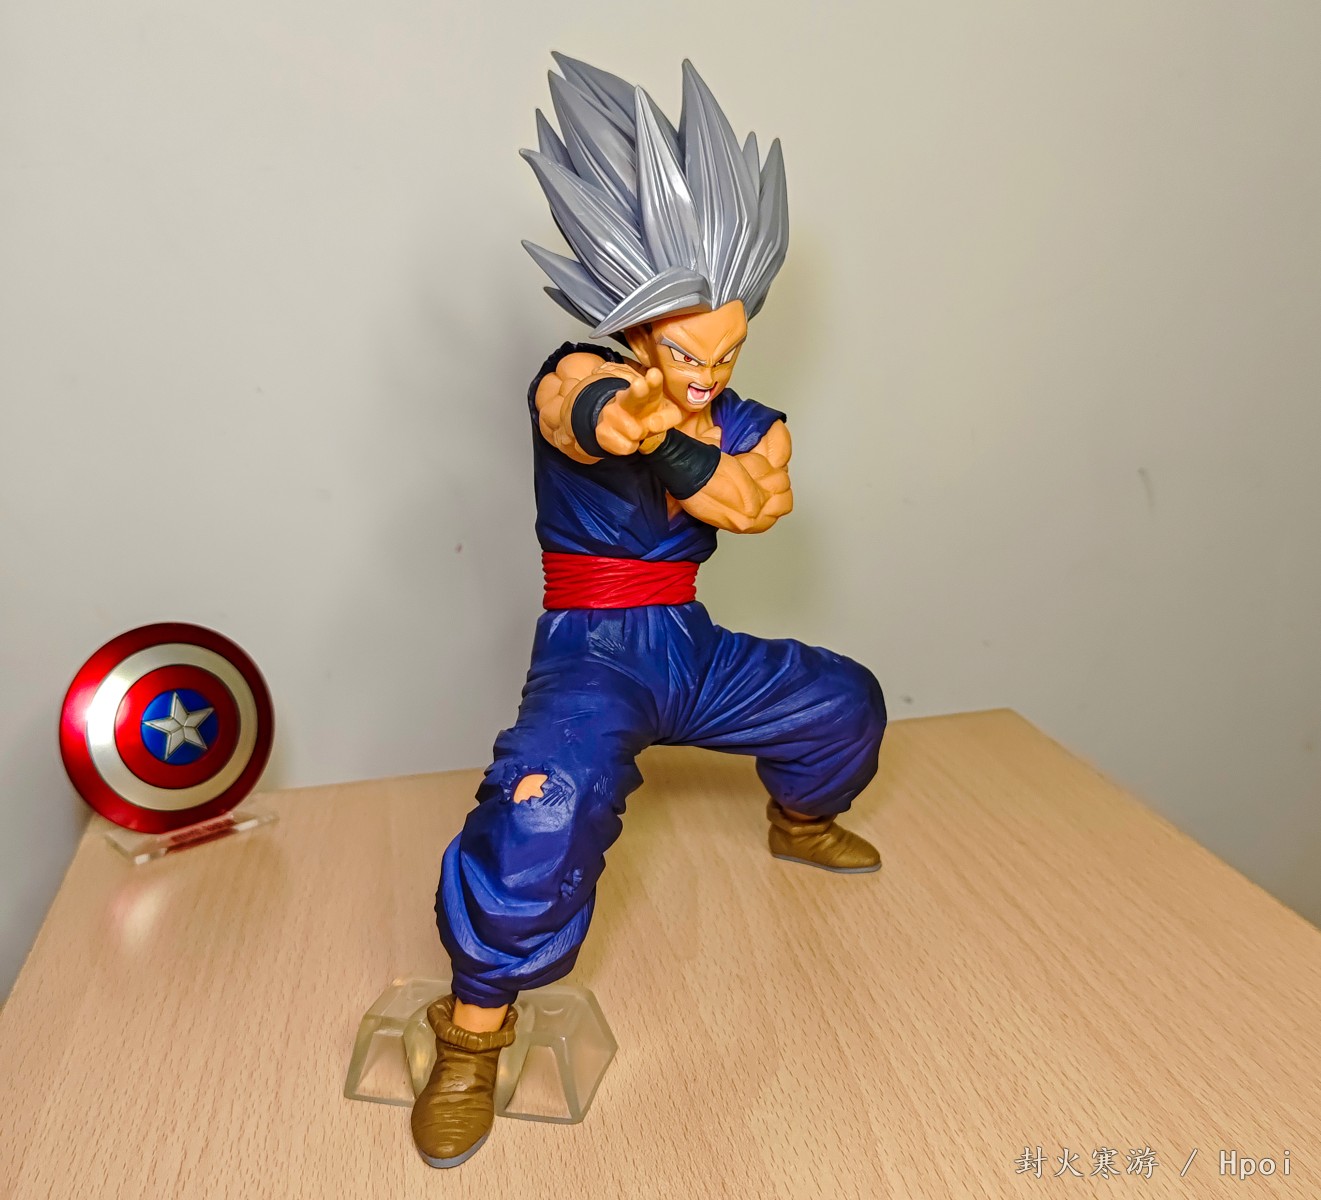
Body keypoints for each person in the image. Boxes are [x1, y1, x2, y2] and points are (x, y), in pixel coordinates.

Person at [411, 55, 887, 1169]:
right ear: (632, 329)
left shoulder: (743, 420)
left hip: (689, 646)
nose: (709, 373)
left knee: (842, 703)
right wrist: (618, 414)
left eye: (728, 350)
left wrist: (679, 431)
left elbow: (750, 502)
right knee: (541, 812)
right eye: (684, 351)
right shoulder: (582, 374)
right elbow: (580, 413)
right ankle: (473, 1031)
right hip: (592, 653)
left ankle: (799, 818)